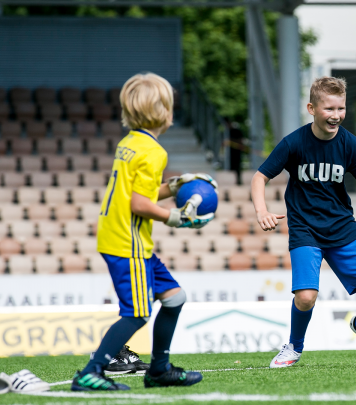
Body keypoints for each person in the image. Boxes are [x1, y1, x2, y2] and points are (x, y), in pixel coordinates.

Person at [251, 77, 356, 368]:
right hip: (304, 228)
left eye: (341, 108)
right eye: (329, 108)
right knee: (306, 297)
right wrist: (262, 210)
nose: (336, 115)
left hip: (341, 226)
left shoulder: (351, 145)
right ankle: (294, 347)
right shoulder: (294, 143)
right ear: (312, 108)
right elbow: (260, 177)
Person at [72, 73, 215, 391]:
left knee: (175, 297)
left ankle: (159, 370)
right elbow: (140, 205)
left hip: (121, 238)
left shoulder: (130, 143)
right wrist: (174, 217)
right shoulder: (153, 152)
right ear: (164, 111)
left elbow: (140, 194)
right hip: (129, 243)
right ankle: (90, 373)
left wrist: (175, 185)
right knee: (137, 314)